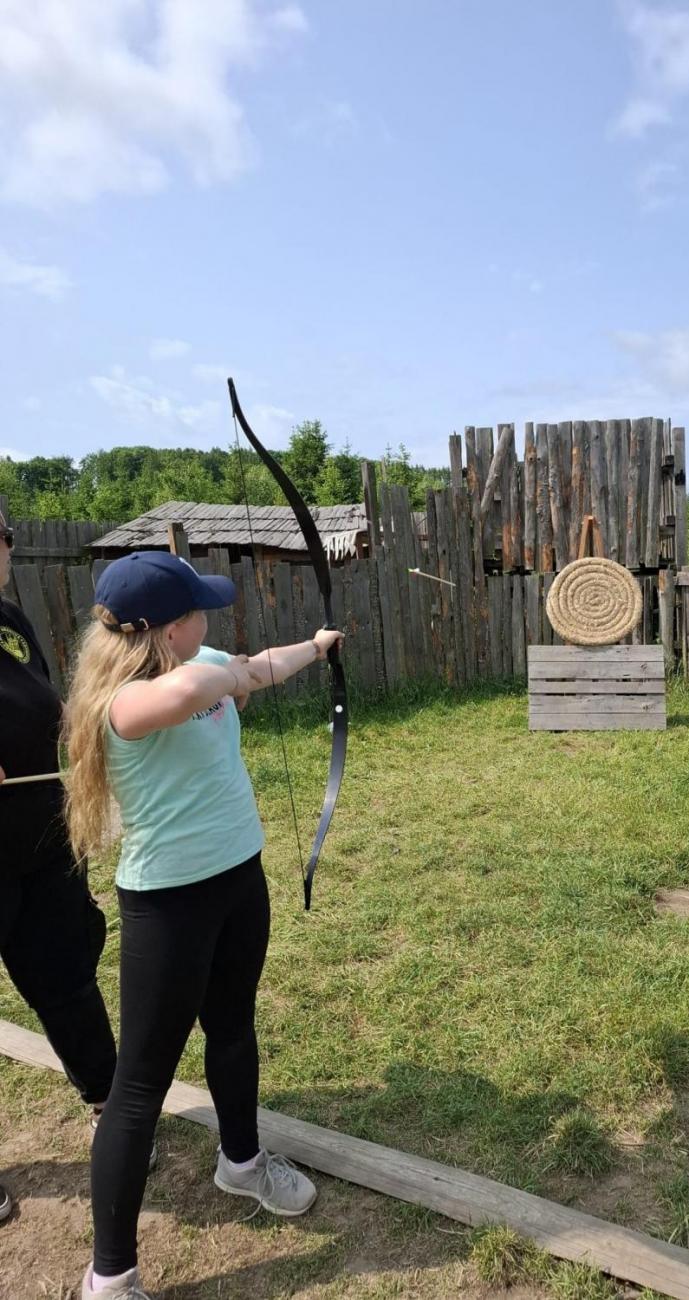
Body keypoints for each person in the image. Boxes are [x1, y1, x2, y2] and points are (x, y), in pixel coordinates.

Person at [64, 550, 342, 1300]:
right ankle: (110, 1279)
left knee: (234, 1028)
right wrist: (234, 674)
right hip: (168, 906)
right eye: (198, 612)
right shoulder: (122, 703)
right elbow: (202, 684)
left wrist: (313, 649)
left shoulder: (202, 661)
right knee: (139, 1086)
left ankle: (241, 1163)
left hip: (237, 882)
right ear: (164, 631)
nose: (210, 621)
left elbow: (254, 668)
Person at [0, 510, 118, 1226]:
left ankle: (112, 1110)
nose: (2, 549)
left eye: (1, 535)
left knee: (67, 980)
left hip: (41, 843)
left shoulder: (9, 618)